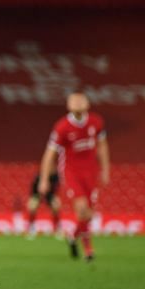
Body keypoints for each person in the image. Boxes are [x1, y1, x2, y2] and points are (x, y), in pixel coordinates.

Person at [38, 92, 109, 260]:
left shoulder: (96, 122)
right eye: (74, 100)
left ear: (87, 103)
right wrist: (44, 179)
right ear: (68, 105)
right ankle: (88, 250)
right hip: (71, 172)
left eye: (80, 100)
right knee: (83, 209)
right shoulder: (62, 127)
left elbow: (103, 146)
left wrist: (105, 169)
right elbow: (49, 154)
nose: (77, 103)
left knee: (89, 214)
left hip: (91, 172)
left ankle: (72, 236)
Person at [24, 171, 60, 238]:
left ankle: (57, 228)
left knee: (56, 205)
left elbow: (55, 189)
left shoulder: (55, 177)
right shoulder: (39, 176)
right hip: (37, 194)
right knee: (32, 206)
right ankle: (31, 228)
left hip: (49, 194)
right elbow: (33, 188)